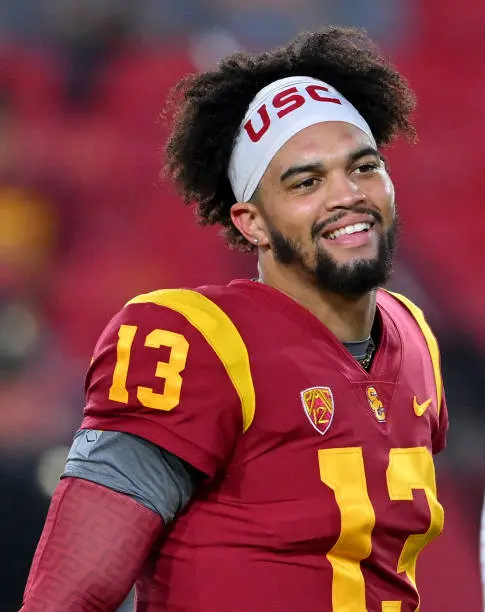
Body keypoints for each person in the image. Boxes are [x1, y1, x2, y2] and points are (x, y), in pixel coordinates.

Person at [20, 26, 448, 611]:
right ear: (252, 224)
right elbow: (73, 591)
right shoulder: (199, 341)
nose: (347, 194)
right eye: (306, 182)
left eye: (364, 167)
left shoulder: (415, 337)